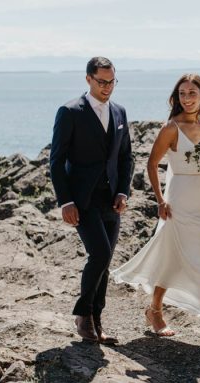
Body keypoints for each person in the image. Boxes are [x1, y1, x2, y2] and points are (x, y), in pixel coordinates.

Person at [111, 73, 200, 354]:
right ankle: (154, 311)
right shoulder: (171, 128)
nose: (187, 98)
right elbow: (152, 164)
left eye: (192, 93)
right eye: (182, 93)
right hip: (179, 201)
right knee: (172, 259)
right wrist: (160, 200)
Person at [50, 56, 133, 344]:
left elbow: (125, 157)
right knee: (98, 253)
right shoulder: (70, 111)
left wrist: (124, 191)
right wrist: (65, 201)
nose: (107, 87)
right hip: (82, 199)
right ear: (88, 79)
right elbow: (56, 161)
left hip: (111, 199)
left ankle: (97, 319)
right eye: (102, 82)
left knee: (106, 260)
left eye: (112, 82)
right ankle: (83, 315)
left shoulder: (120, 112)